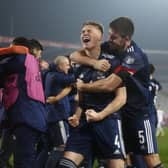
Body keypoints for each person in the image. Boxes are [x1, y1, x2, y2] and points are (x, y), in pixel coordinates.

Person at [70, 17, 164, 168]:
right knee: (119, 158)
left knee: (150, 158)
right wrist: (94, 63)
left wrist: (84, 87)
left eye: (113, 37)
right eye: (109, 35)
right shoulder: (110, 46)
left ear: (126, 39)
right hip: (119, 112)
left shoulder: (135, 56)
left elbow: (110, 85)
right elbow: (74, 56)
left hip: (138, 114)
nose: (109, 39)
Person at [58, 21, 126, 168]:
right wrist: (77, 114)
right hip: (84, 123)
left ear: (100, 37)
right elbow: (82, 96)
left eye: (89, 31)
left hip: (108, 121)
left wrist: (101, 115)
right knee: (65, 165)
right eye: (82, 32)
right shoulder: (78, 65)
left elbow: (121, 98)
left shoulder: (114, 62)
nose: (84, 33)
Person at [0, 37, 47, 168]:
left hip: (25, 116)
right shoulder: (31, 62)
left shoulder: (20, 59)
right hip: (33, 117)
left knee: (23, 161)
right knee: (25, 159)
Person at [44, 56, 76, 168]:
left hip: (54, 115)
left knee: (49, 149)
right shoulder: (57, 76)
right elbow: (75, 78)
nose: (69, 66)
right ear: (59, 66)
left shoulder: (51, 74)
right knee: (62, 147)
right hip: (58, 116)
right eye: (67, 64)